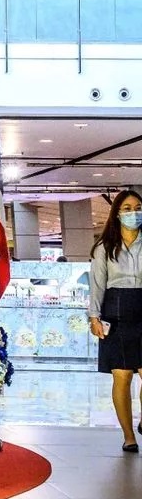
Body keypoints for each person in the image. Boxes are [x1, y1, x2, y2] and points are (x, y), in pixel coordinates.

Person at [88, 189, 142, 453]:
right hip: (116, 312)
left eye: (138, 208)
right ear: (117, 213)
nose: (134, 213)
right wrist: (94, 316)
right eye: (127, 209)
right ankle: (129, 436)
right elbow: (97, 284)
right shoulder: (104, 247)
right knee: (122, 376)